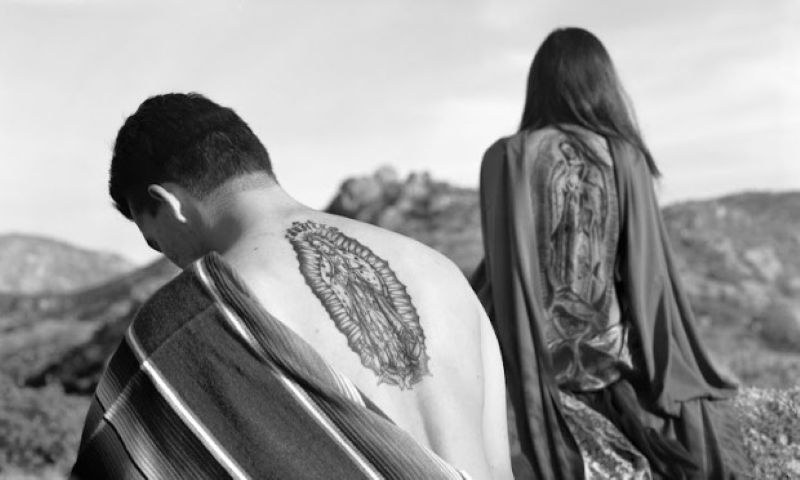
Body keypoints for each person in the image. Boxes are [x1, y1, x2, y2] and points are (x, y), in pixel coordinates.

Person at [71, 93, 513, 479]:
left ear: (170, 203)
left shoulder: (186, 324)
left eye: (155, 240)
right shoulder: (443, 273)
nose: (170, 259)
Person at [470, 27, 751, 479]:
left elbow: (502, 269)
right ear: (602, 83)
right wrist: (673, 370)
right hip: (614, 358)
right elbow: (648, 277)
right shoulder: (623, 157)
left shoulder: (504, 160)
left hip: (536, 366)